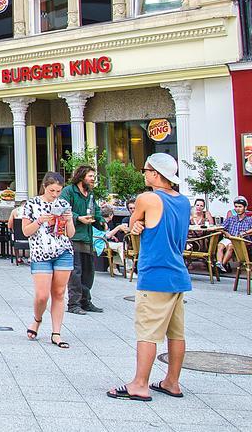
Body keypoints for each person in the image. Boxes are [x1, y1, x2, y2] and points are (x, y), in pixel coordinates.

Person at [108, 153, 191, 402]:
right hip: (178, 273)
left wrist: (137, 224)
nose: (143, 174)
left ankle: (139, 384)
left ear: (155, 173)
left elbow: (133, 222)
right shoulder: (184, 201)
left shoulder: (148, 198)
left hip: (155, 272)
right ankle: (172, 382)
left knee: (147, 332)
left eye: (145, 170)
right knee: (176, 333)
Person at [22, 172, 75, 349]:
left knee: (59, 293)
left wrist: (68, 220)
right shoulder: (32, 204)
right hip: (41, 253)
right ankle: (37, 319)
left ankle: (56, 333)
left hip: (63, 251)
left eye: (58, 191)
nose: (55, 195)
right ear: (45, 186)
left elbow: (71, 234)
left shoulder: (63, 204)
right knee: (42, 295)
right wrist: (39, 221)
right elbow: (26, 231)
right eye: (52, 190)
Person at [63, 165, 105, 315]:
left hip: (87, 237)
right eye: (91, 176)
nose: (93, 179)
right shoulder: (69, 191)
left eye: (94, 177)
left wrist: (101, 221)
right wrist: (78, 218)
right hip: (73, 237)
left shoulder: (90, 194)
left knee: (88, 272)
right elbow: (63, 209)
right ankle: (73, 304)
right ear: (81, 177)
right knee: (75, 272)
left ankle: (85, 301)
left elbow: (96, 211)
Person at [216, 197, 252, 273]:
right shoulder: (231, 219)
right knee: (220, 245)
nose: (238, 209)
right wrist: (226, 233)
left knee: (231, 246)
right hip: (230, 237)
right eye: (236, 207)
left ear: (245, 208)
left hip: (242, 240)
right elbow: (221, 228)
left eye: (240, 207)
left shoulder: (249, 219)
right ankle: (220, 264)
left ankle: (222, 265)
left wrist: (245, 233)